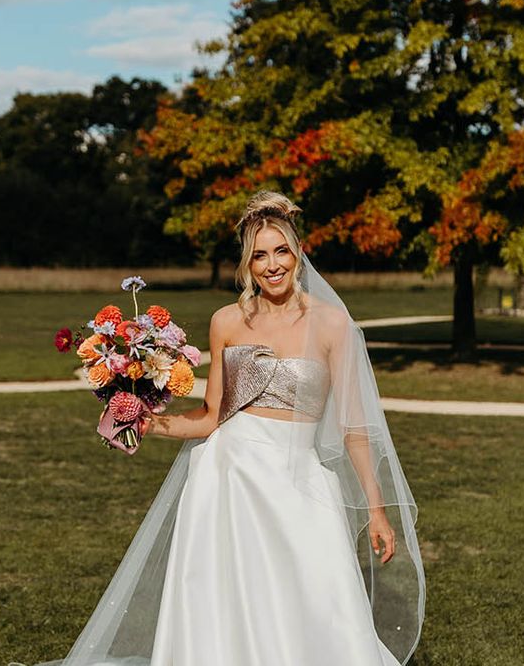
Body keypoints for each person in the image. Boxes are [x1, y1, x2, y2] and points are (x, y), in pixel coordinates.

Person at [32, 191, 425, 666]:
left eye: (281, 251)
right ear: (247, 264)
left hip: (300, 483)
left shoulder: (332, 324)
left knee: (319, 598)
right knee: (224, 604)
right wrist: (148, 422)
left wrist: (376, 510)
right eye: (259, 255)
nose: (272, 265)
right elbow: (211, 415)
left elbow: (354, 426)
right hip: (228, 478)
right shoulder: (227, 322)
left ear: (299, 253)